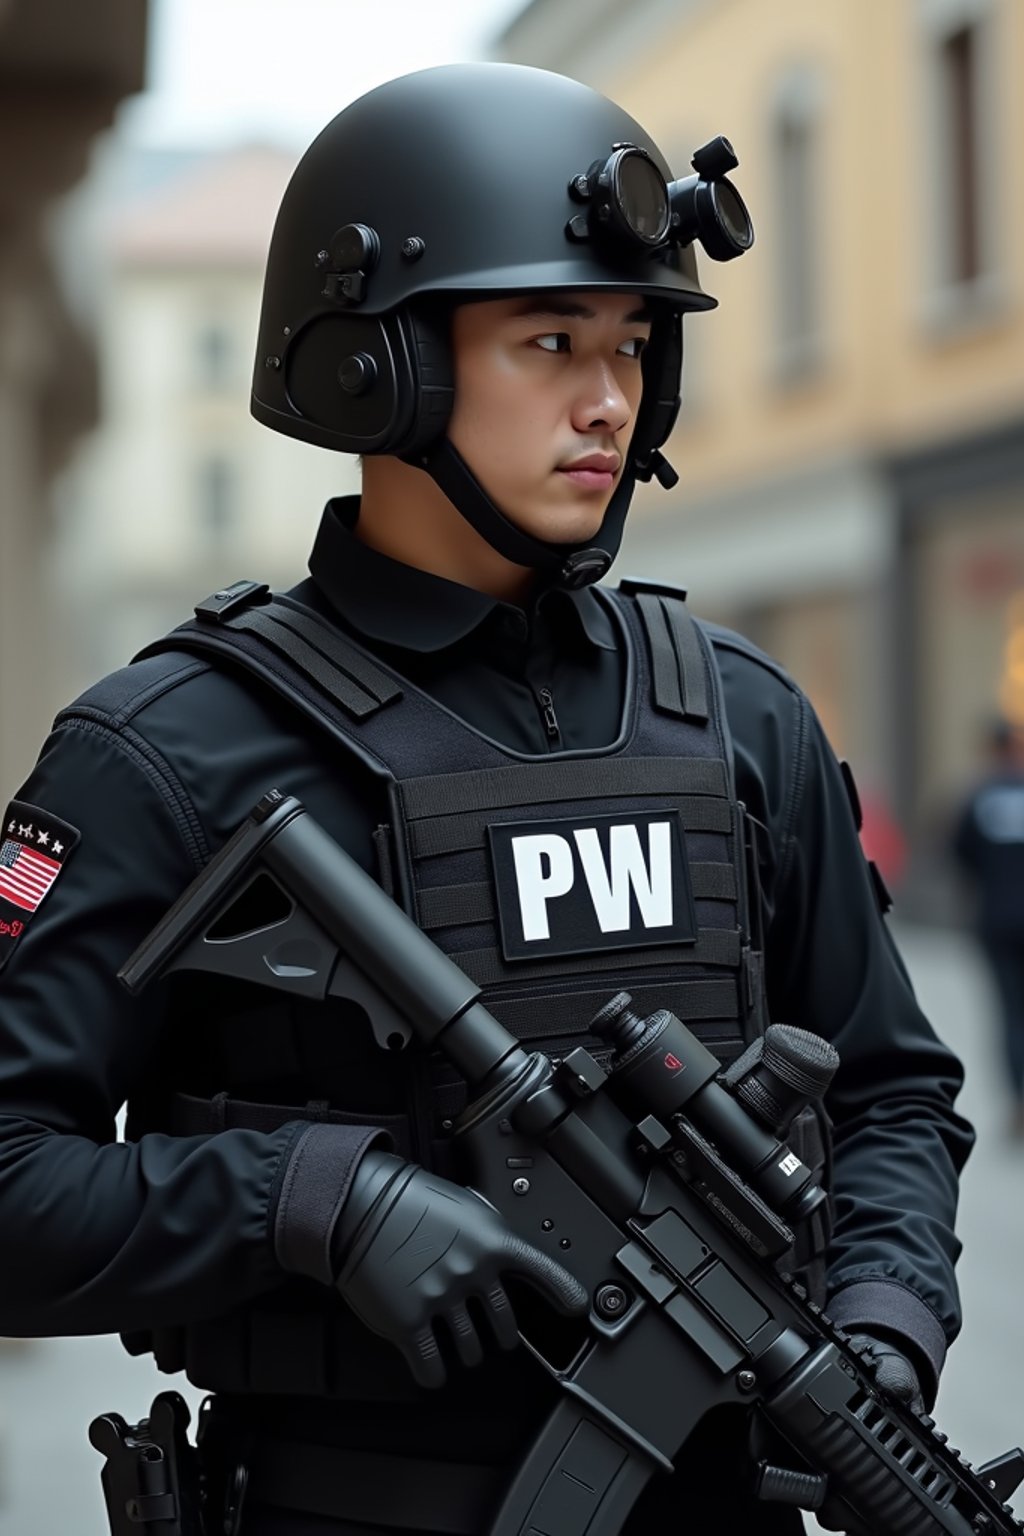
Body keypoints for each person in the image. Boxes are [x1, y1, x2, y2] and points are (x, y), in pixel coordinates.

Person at [0, 62, 973, 1536]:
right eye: (550, 340)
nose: (610, 399)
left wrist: (886, 1320)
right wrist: (313, 1201)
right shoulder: (168, 749)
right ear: (380, 365)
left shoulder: (740, 718)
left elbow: (892, 1086)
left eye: (637, 345)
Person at [951, 716, 1024, 1140]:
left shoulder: (978, 796)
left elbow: (960, 852)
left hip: (997, 919)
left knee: (1011, 1012)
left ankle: (1019, 1099)